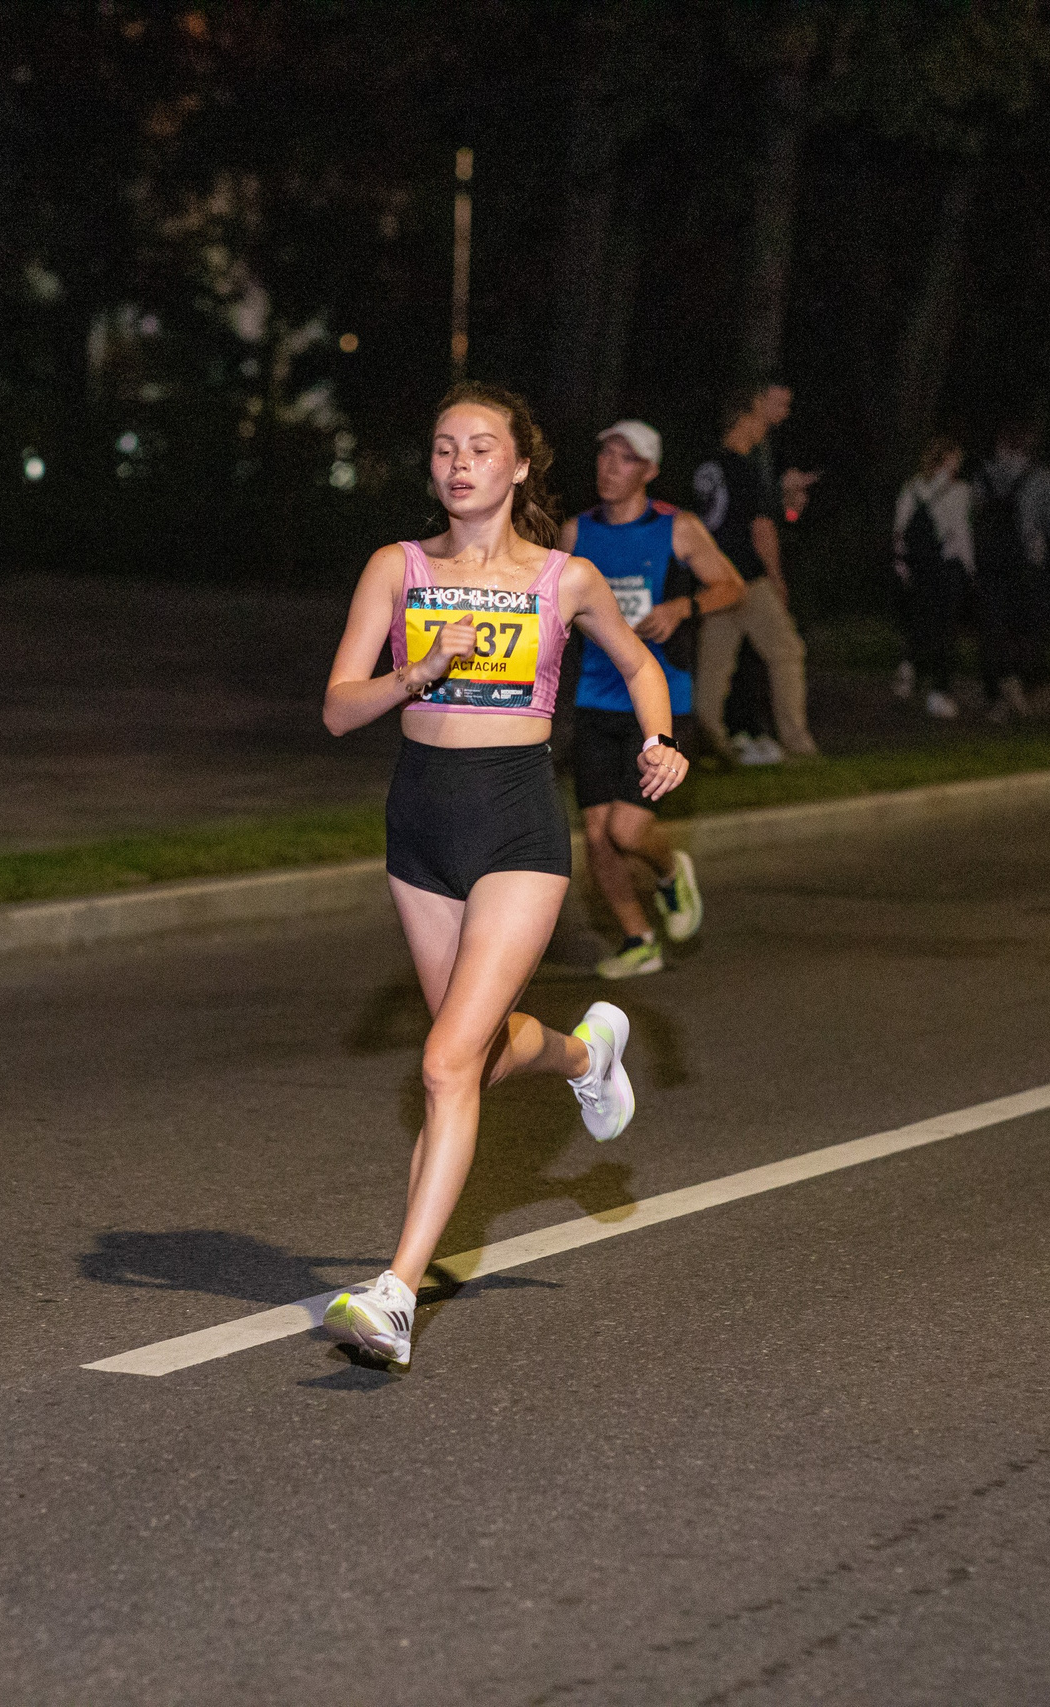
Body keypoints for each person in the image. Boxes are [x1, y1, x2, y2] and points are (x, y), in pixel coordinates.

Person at [317, 383, 682, 1370]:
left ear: (519, 466)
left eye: (481, 446)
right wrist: (414, 673)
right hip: (421, 824)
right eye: (443, 447)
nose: (459, 462)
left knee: (442, 1064)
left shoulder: (563, 579)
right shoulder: (395, 569)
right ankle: (581, 1057)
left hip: (516, 824)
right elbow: (339, 710)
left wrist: (659, 737)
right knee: (468, 1055)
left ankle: (394, 1293)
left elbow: (639, 664)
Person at [559, 419, 744, 979]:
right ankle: (638, 939)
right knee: (595, 835)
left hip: (661, 701)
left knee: (627, 830)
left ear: (650, 471)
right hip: (594, 699)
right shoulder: (574, 533)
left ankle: (668, 872)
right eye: (605, 456)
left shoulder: (676, 528)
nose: (609, 468)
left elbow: (731, 585)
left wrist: (679, 609)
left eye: (625, 459)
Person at [692, 380, 816, 764]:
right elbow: (761, 529)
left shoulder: (706, 467)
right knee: (787, 652)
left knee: (715, 663)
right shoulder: (745, 467)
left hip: (713, 577)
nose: (763, 426)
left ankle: (707, 739)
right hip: (745, 578)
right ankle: (797, 742)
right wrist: (776, 577)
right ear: (745, 417)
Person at [969, 423, 1050, 720]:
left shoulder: (983, 476)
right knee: (1028, 629)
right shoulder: (1043, 479)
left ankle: (998, 686)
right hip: (1028, 565)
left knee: (993, 629)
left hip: (989, 565)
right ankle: (1017, 680)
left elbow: (973, 518)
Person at [892, 436, 974, 720]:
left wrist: (902, 564)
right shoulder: (958, 490)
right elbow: (960, 532)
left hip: (917, 567)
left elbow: (900, 529)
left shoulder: (912, 487)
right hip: (945, 567)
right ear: (948, 459)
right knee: (945, 630)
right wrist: (969, 568)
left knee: (919, 620)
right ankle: (939, 692)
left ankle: (908, 669)